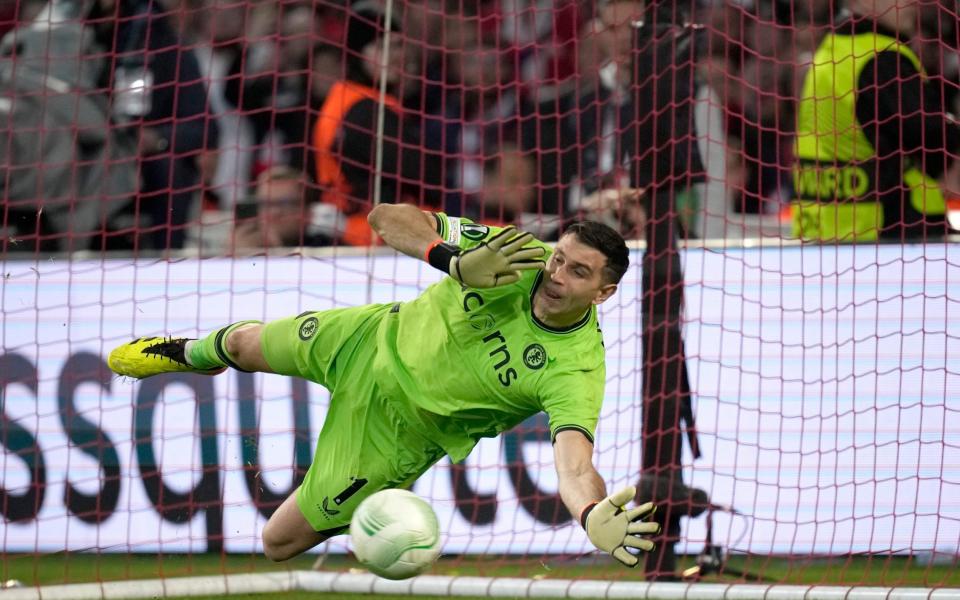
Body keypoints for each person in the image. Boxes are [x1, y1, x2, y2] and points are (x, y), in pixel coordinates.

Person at [107, 204, 660, 566]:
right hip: (367, 337)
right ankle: (186, 354)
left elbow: (574, 465)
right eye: (558, 258)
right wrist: (454, 260)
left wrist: (590, 514)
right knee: (240, 347)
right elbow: (386, 216)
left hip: (394, 435)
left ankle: (356, 508)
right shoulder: (514, 256)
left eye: (577, 272)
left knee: (279, 543)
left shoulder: (576, 368)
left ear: (603, 295)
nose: (556, 275)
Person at [792, 0, 960, 241]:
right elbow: (932, 137)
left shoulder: (832, 49)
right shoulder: (882, 58)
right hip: (889, 238)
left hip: (823, 233)